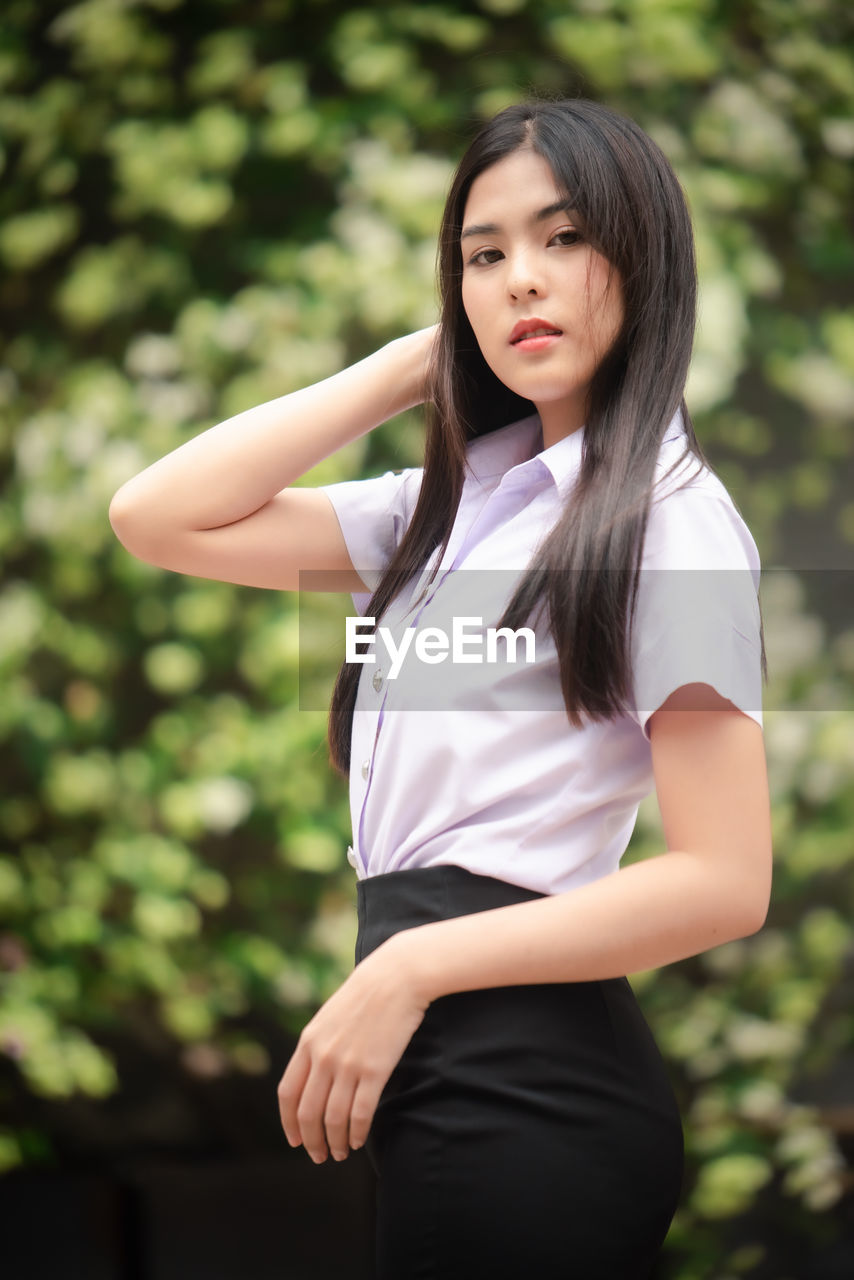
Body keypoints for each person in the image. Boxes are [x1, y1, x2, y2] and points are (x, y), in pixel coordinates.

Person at [109, 97, 773, 1279]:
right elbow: (156, 516)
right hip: (440, 1065)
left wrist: (409, 967)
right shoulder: (446, 512)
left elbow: (724, 880)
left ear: (642, 254)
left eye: (562, 238)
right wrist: (412, 365)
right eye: (484, 254)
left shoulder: (671, 525)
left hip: (533, 1081)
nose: (522, 278)